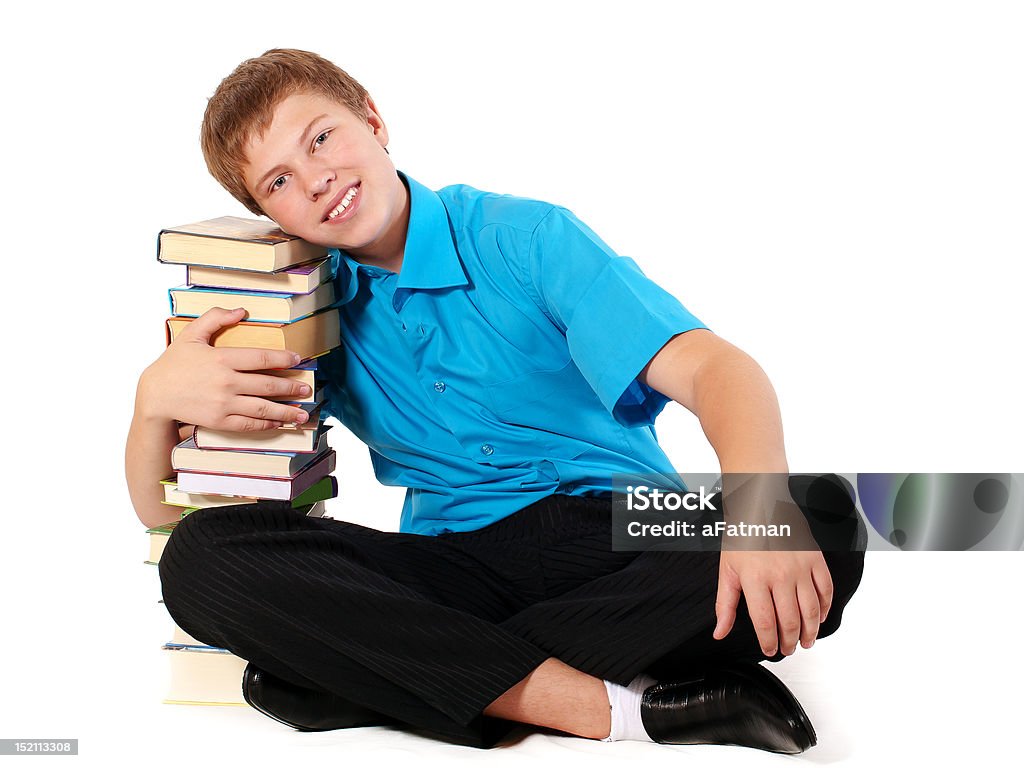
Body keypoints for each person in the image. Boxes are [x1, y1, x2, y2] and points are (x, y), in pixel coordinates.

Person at [125, 48, 865, 752]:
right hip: (454, 562)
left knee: (828, 512)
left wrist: (759, 508)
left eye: (322, 138)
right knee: (198, 560)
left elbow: (719, 373)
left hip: (618, 524)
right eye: (278, 182)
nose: (314, 180)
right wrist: (152, 403)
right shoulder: (301, 313)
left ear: (374, 122)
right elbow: (167, 517)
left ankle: (398, 680)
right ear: (269, 217)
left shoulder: (524, 236)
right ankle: (606, 707)